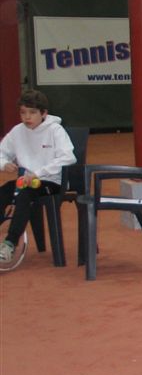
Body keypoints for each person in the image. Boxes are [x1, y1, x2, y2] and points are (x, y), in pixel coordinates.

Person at [0, 89, 76, 269]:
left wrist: (38, 173)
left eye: (32, 112)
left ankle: (10, 244)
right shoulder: (17, 131)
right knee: (3, 192)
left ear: (43, 113)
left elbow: (68, 157)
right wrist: (4, 164)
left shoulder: (55, 130)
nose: (27, 117)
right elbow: (1, 153)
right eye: (23, 112)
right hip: (25, 181)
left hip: (52, 182)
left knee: (25, 195)